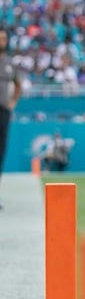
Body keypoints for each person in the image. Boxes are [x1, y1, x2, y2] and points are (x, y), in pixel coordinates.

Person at [0, 29, 23, 209]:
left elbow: (18, 84)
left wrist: (13, 102)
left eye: (4, 38)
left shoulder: (9, 63)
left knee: (0, 153)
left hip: (3, 112)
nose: (2, 41)